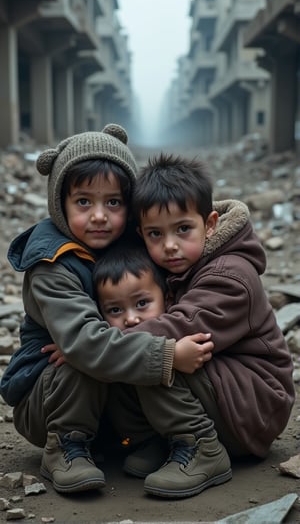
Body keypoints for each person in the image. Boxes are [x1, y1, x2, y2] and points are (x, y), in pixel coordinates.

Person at [0, 126, 213, 496]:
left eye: (113, 203)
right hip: (48, 397)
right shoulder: (52, 265)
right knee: (84, 358)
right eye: (84, 202)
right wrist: (164, 354)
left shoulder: (137, 243)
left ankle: (150, 439)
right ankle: (65, 446)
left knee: (133, 341)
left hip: (107, 391)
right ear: (60, 205)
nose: (99, 216)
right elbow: (85, 343)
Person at [107, 152, 295, 499]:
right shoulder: (177, 267)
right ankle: (160, 440)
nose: (170, 246)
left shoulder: (230, 276)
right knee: (141, 349)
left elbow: (180, 327)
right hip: (226, 393)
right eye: (155, 234)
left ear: (209, 224)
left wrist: (95, 345)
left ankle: (203, 450)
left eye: (183, 229)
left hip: (255, 405)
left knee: (157, 355)